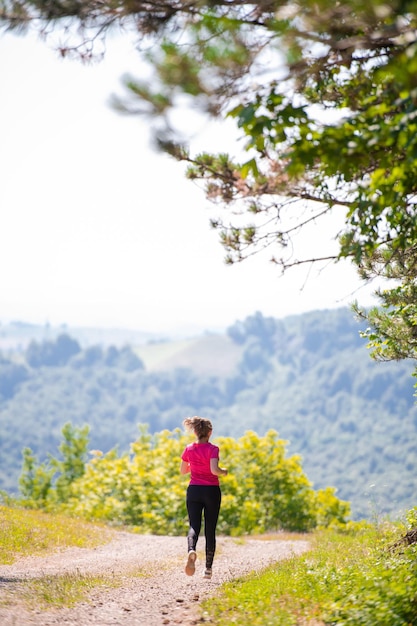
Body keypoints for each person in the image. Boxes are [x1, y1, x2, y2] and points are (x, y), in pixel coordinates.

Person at [180, 416, 228, 580]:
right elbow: (214, 470)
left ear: (195, 432)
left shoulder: (188, 449)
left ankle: (191, 549)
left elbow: (183, 470)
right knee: (210, 529)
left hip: (194, 490)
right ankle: (208, 569)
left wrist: (194, 465)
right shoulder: (213, 449)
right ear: (210, 432)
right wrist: (224, 471)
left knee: (194, 525)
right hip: (211, 491)